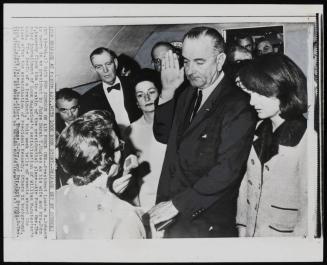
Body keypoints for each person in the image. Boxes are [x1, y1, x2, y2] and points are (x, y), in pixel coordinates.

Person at [149, 26, 257, 238]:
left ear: (220, 60)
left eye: (199, 62)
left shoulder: (238, 103)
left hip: (206, 219)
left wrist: (176, 205)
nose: (190, 70)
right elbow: (164, 136)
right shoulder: (187, 93)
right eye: (186, 61)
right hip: (173, 213)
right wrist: (168, 91)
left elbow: (226, 171)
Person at [235, 54, 316, 237]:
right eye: (250, 93)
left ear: (284, 91)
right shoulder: (258, 128)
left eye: (261, 94)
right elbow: (245, 186)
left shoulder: (307, 137)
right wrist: (242, 229)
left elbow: (309, 210)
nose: (252, 102)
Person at [56, 110, 146, 239]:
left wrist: (111, 194)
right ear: (107, 161)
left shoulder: (54, 199)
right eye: (119, 146)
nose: (122, 148)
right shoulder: (126, 216)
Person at [127, 69, 167, 212]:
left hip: (174, 196)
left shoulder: (175, 125)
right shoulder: (130, 131)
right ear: (137, 102)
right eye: (140, 95)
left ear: (160, 94)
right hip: (147, 200)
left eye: (151, 92)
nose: (147, 98)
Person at [79, 47, 142, 132]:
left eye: (108, 64)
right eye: (99, 67)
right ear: (94, 70)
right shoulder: (88, 99)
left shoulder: (135, 84)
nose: (105, 70)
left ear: (115, 63)